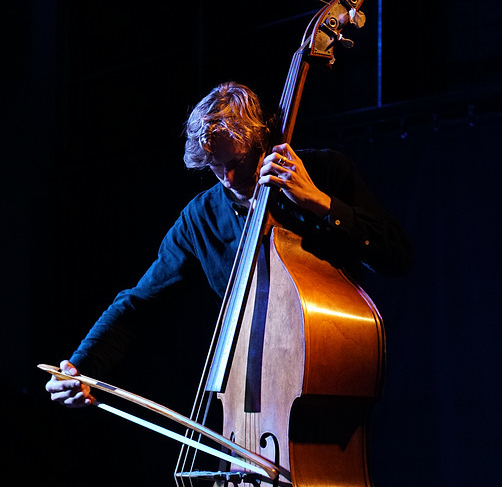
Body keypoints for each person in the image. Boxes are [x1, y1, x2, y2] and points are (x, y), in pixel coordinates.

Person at [45, 81, 411, 407]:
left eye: (236, 161)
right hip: (247, 393)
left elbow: (395, 256)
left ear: (262, 138)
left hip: (322, 380)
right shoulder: (200, 216)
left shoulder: (325, 171)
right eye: (215, 167)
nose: (229, 179)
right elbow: (141, 304)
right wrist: (82, 365)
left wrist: (317, 201)